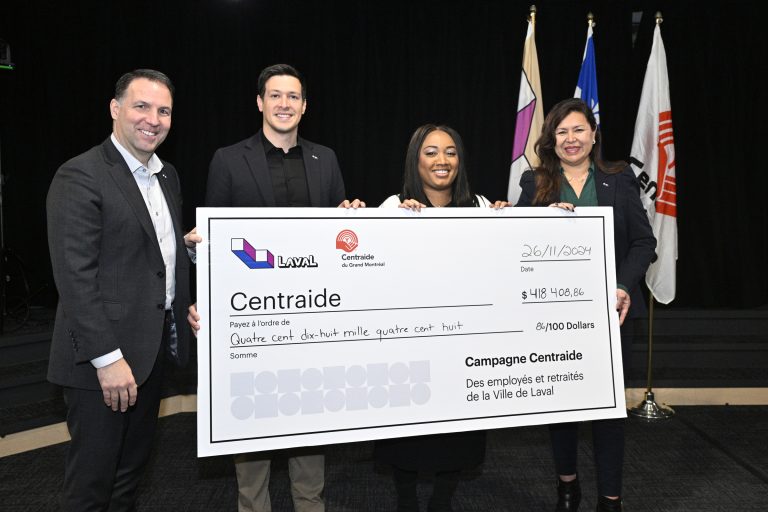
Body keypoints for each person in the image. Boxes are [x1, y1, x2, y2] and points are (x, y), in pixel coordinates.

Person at [190, 63, 362, 512]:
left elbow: (336, 242)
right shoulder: (228, 159)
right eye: (276, 95)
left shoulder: (326, 159)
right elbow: (212, 242)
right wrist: (204, 299)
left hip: (312, 317)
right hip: (252, 319)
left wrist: (351, 214)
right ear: (260, 102)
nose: (284, 104)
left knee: (310, 428)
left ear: (305, 106)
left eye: (293, 97)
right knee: (251, 432)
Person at [46, 69, 198, 511]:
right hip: (102, 366)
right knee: (90, 489)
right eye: (142, 106)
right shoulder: (81, 175)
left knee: (128, 482)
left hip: (149, 356)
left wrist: (185, 279)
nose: (153, 119)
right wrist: (108, 360)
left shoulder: (166, 174)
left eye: (164, 110)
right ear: (115, 110)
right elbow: (75, 277)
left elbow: (151, 257)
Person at [516, 98, 656, 512]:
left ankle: (611, 499)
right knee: (562, 406)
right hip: (554, 318)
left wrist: (625, 286)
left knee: (610, 412)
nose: (571, 139)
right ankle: (567, 486)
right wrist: (539, 219)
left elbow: (643, 242)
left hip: (614, 314)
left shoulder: (620, 177)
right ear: (551, 140)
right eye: (562, 132)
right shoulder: (534, 182)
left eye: (578, 130)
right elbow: (518, 244)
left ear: (593, 135)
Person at [376, 124, 503, 512]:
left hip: (461, 348)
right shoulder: (392, 207)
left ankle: (444, 499)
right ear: (416, 159)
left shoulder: (481, 207)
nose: (442, 160)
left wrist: (514, 225)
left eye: (450, 152)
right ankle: (406, 498)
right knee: (407, 431)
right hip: (409, 347)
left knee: (456, 432)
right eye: (431, 152)